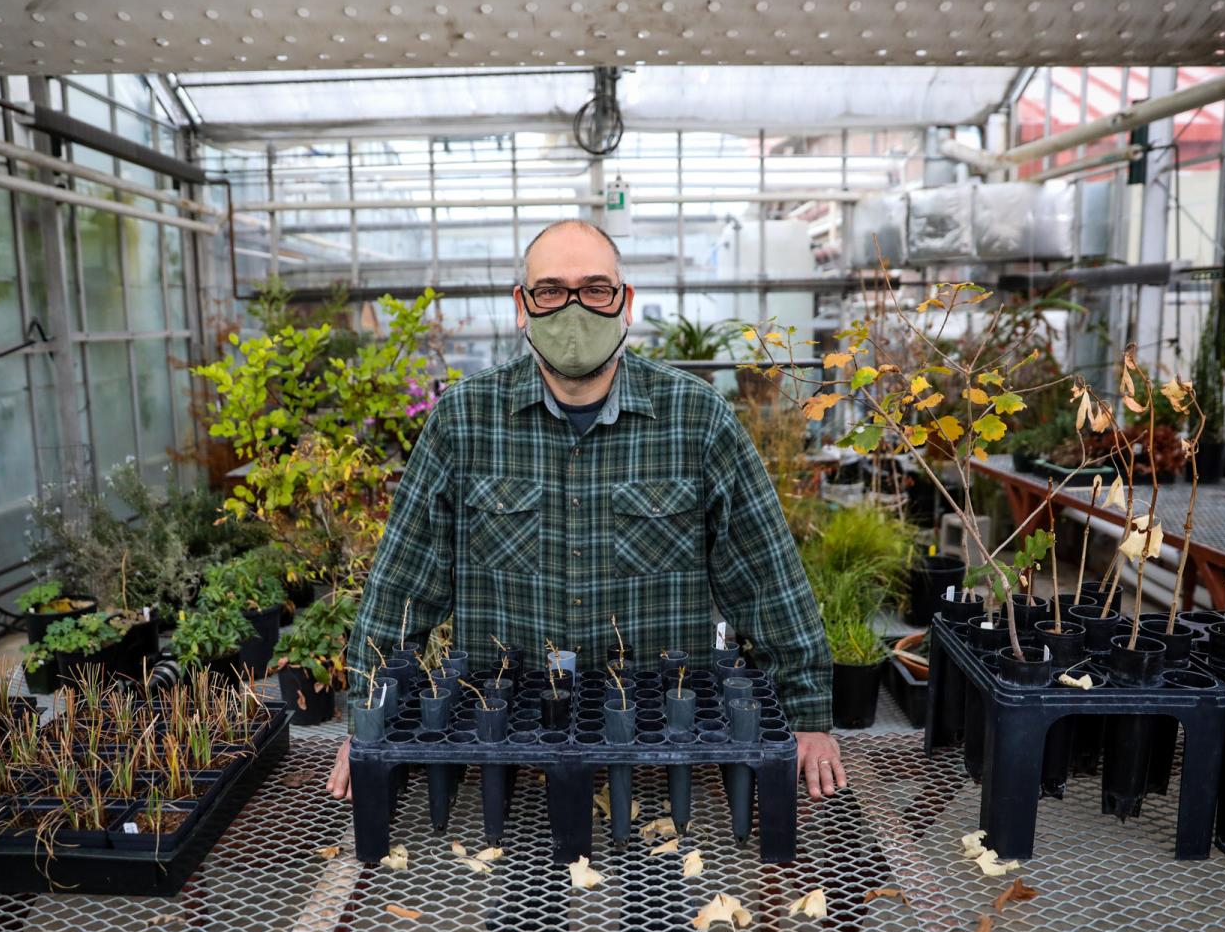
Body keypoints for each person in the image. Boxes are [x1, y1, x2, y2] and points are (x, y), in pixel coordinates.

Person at [326, 218, 843, 800]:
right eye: (551, 291)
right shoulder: (465, 422)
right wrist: (366, 724)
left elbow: (765, 576)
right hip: (508, 763)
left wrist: (807, 717)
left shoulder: (696, 421)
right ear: (522, 307)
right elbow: (403, 585)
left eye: (596, 289)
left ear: (625, 303)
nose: (574, 310)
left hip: (664, 758)